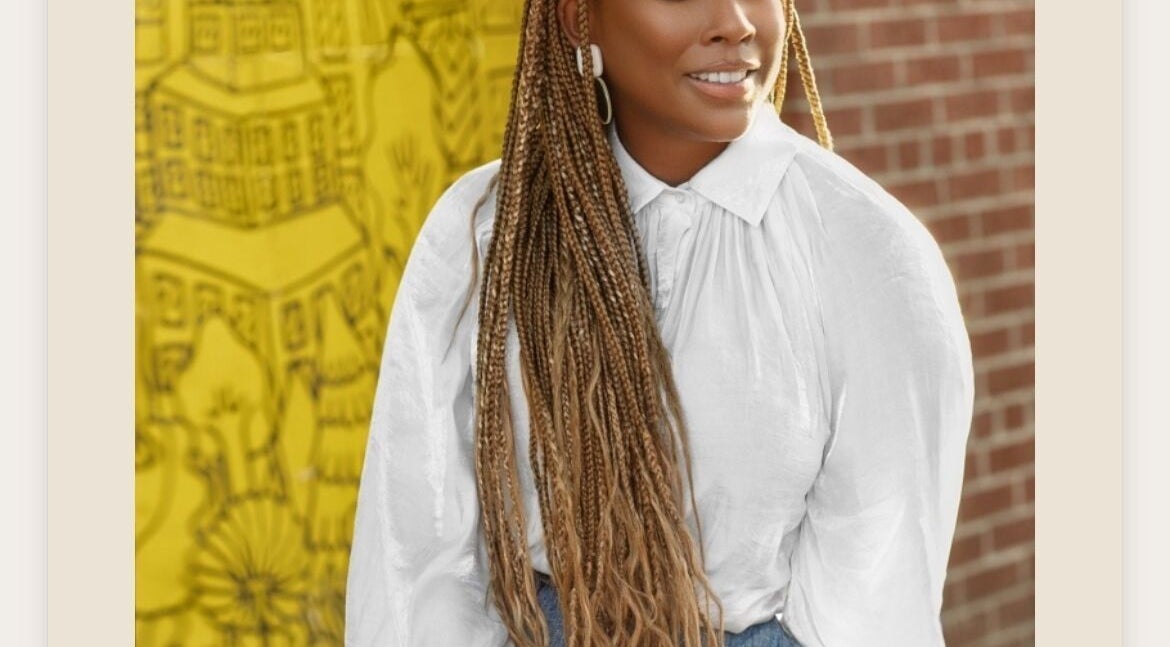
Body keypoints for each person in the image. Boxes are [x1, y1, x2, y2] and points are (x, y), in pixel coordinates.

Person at [345, 0, 975, 645]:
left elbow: (874, 600)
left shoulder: (865, 248)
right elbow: (420, 564)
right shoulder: (486, 232)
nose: (735, 21)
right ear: (576, 18)